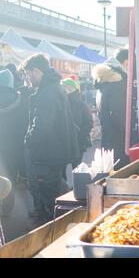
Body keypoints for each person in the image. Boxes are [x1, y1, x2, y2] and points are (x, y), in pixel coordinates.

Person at [22, 54, 80, 224]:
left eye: (28, 74)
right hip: (57, 151)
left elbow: (41, 126)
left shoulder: (46, 92)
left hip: (48, 153)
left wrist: (28, 140)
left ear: (36, 71)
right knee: (57, 191)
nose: (27, 78)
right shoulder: (55, 86)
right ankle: (64, 223)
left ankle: (56, 230)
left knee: (51, 196)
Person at [92, 54, 129, 170]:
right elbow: (118, 116)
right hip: (119, 143)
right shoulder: (117, 84)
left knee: (109, 175)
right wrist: (130, 132)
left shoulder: (103, 85)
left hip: (107, 140)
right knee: (120, 180)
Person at [0, 69, 28, 216]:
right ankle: (6, 208)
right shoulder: (21, 100)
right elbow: (24, 125)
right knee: (9, 178)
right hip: (14, 148)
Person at [61, 78, 94, 168]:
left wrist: (79, 136)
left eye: (66, 88)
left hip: (78, 143)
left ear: (73, 89)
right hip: (62, 143)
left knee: (77, 170)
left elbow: (89, 123)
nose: (65, 90)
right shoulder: (59, 103)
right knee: (60, 172)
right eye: (63, 88)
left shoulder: (81, 105)